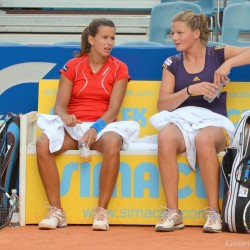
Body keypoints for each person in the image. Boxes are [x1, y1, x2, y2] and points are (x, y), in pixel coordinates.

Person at [36, 18, 139, 231]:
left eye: (112, 38)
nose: (109, 42)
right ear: (91, 39)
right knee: (42, 143)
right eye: (104, 37)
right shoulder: (72, 66)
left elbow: (113, 110)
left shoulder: (120, 68)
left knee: (112, 143)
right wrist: (66, 118)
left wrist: (95, 128)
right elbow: (60, 107)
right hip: (75, 128)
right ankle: (57, 210)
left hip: (103, 126)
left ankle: (101, 211)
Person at [152, 10, 250, 233]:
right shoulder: (172, 62)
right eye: (172, 33)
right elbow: (162, 105)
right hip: (183, 120)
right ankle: (173, 212)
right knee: (165, 136)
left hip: (214, 122)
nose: (174, 37)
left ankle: (214, 213)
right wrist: (189, 90)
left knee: (204, 139)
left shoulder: (218, 53)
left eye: (179, 32)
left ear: (196, 33)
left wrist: (229, 64)